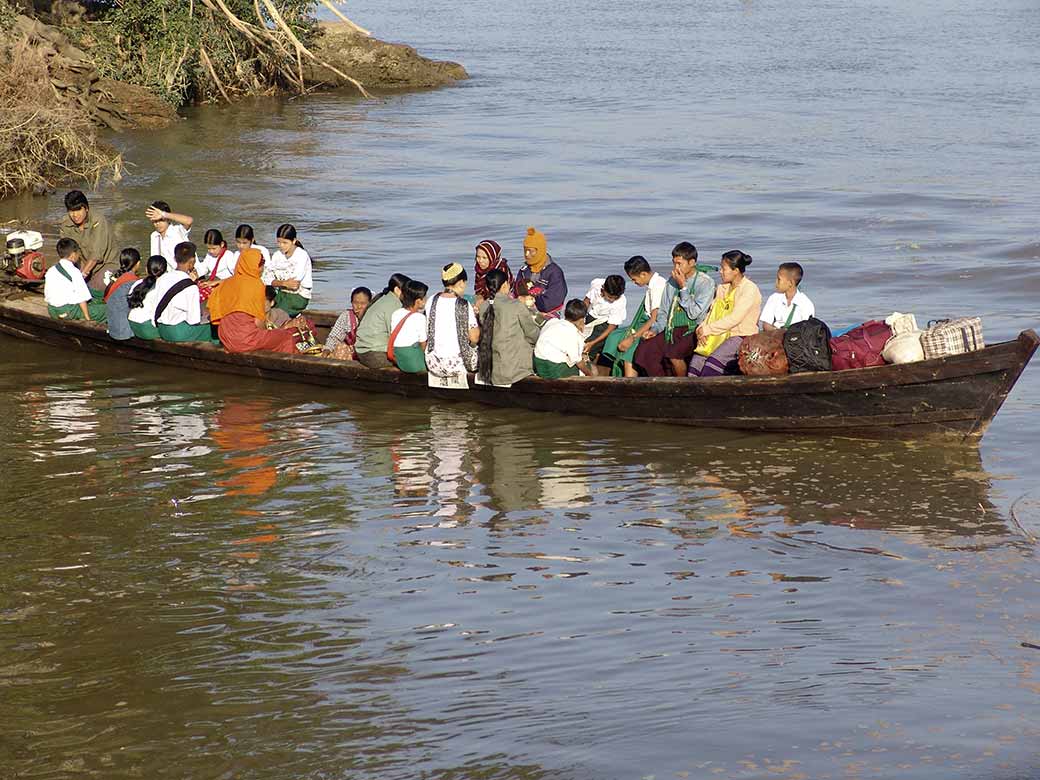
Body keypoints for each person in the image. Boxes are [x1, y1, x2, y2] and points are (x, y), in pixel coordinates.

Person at [633, 242, 716, 377]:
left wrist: (683, 287)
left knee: (674, 354)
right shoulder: (672, 281)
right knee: (644, 350)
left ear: (692, 262)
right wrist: (655, 330)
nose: (676, 267)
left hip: (693, 329)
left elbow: (694, 313)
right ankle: (661, 382)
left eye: (679, 264)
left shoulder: (705, 282)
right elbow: (663, 312)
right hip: (672, 328)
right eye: (674, 263)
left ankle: (682, 384)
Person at [206, 248, 297, 354]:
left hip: (225, 338)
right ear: (255, 267)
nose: (262, 269)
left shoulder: (225, 283)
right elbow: (258, 322)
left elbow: (215, 315)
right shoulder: (256, 285)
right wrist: (270, 332)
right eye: (261, 265)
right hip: (246, 339)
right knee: (286, 336)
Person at [687, 250, 763, 377]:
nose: (720, 271)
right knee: (696, 362)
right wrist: (701, 329)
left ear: (736, 270)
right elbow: (712, 312)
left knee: (711, 365)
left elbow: (735, 318)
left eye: (724, 269)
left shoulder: (749, 289)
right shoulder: (723, 287)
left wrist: (708, 329)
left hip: (741, 335)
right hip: (719, 333)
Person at [600, 256, 668, 377]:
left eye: (634, 279)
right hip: (645, 322)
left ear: (643, 274)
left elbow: (654, 319)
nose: (634, 282)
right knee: (614, 336)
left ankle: (629, 380)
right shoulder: (652, 284)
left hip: (653, 326)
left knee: (630, 350)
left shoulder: (657, 286)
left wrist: (632, 338)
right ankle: (609, 373)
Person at [476, 267, 541, 387]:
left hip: (490, 370)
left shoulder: (483, 307)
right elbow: (533, 335)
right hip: (514, 371)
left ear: (488, 288)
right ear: (505, 284)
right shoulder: (516, 305)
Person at [425, 263, 480, 381]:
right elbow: (474, 338)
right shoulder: (464, 304)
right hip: (456, 366)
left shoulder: (431, 300)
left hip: (433, 363)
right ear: (460, 283)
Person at [154, 241, 213, 343]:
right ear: (192, 261)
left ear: (175, 259)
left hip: (162, 329)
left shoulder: (162, 278)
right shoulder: (191, 287)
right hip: (178, 333)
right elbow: (194, 320)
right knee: (215, 328)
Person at [58, 190, 117, 291]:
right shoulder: (65, 224)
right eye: (71, 211)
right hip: (82, 265)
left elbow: (96, 255)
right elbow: (67, 253)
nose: (75, 215)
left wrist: (81, 277)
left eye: (78, 210)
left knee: (95, 288)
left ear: (86, 208)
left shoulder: (98, 221)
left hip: (106, 264)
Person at [44, 238, 107, 322]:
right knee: (106, 310)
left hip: (53, 310)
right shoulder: (74, 272)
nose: (79, 255)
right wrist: (88, 319)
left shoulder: (51, 270)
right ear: (73, 255)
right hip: (69, 311)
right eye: (78, 253)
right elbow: (82, 298)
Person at [355, 273, 409, 368]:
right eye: (407, 292)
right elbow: (396, 335)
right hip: (373, 354)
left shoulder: (384, 298)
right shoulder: (394, 304)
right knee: (412, 362)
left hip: (363, 351)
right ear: (397, 290)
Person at [512, 226, 567, 318]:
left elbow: (552, 301)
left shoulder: (554, 272)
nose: (527, 254)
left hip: (548, 315)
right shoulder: (524, 270)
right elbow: (517, 292)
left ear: (540, 250)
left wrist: (531, 302)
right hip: (523, 312)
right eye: (525, 250)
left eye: (531, 251)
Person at [262, 223, 312, 317]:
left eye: (285, 243)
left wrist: (276, 282)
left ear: (294, 241)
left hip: (298, 296)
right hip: (281, 294)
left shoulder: (302, 255)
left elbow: (294, 285)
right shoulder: (277, 255)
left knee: (275, 315)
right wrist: (284, 283)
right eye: (279, 242)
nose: (281, 245)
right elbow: (266, 278)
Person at [534, 299, 591, 378]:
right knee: (589, 366)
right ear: (582, 319)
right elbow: (578, 361)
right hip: (553, 369)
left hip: (538, 363)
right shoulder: (573, 333)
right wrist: (590, 374)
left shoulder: (552, 322)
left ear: (564, 312)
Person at [581, 274, 627, 372]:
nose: (612, 300)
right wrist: (580, 319)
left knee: (587, 346)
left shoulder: (620, 302)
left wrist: (592, 343)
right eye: (610, 297)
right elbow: (586, 302)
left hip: (606, 323)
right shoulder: (596, 286)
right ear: (604, 289)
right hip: (591, 317)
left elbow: (612, 326)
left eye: (615, 298)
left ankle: (588, 367)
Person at [388, 280, 430, 373]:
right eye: (425, 298)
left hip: (399, 360)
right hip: (413, 363)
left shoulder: (396, 313)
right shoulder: (420, 317)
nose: (426, 300)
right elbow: (423, 345)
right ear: (418, 301)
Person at [759, 262, 814, 331]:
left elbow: (806, 330)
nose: (776, 283)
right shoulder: (774, 298)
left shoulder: (806, 304)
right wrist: (778, 332)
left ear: (790, 283)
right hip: (775, 334)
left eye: (779, 279)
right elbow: (766, 324)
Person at [323, 286, 373, 359]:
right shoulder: (346, 316)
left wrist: (361, 319)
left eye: (363, 303)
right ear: (351, 302)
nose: (359, 306)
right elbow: (335, 337)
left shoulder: (374, 316)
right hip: (350, 353)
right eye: (355, 303)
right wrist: (327, 349)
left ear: (369, 304)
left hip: (368, 353)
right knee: (340, 348)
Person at [104, 248, 142, 341]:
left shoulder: (117, 277)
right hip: (124, 331)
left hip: (112, 326)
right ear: (138, 263)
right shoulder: (132, 281)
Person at [127, 255, 168, 339]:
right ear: (165, 271)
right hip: (146, 328)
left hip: (132, 323)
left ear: (146, 269)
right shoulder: (162, 287)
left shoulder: (138, 283)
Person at [146, 200, 194, 272]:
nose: (157, 224)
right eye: (155, 221)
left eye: (161, 220)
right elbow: (154, 259)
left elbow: (189, 221)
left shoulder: (177, 231)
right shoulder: (154, 236)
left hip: (184, 273)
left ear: (168, 219)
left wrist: (163, 214)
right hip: (166, 275)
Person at [195, 229, 238, 300]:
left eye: (214, 248)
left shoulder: (228, 255)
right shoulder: (209, 255)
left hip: (224, 284)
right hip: (212, 281)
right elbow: (203, 268)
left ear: (222, 244)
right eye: (209, 248)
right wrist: (195, 274)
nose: (211, 251)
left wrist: (216, 282)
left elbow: (236, 276)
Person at [473, 239, 513, 308]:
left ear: (492, 257)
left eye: (484, 258)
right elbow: (479, 291)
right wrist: (480, 297)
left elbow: (503, 294)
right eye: (478, 257)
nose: (480, 261)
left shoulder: (501, 270)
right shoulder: (479, 271)